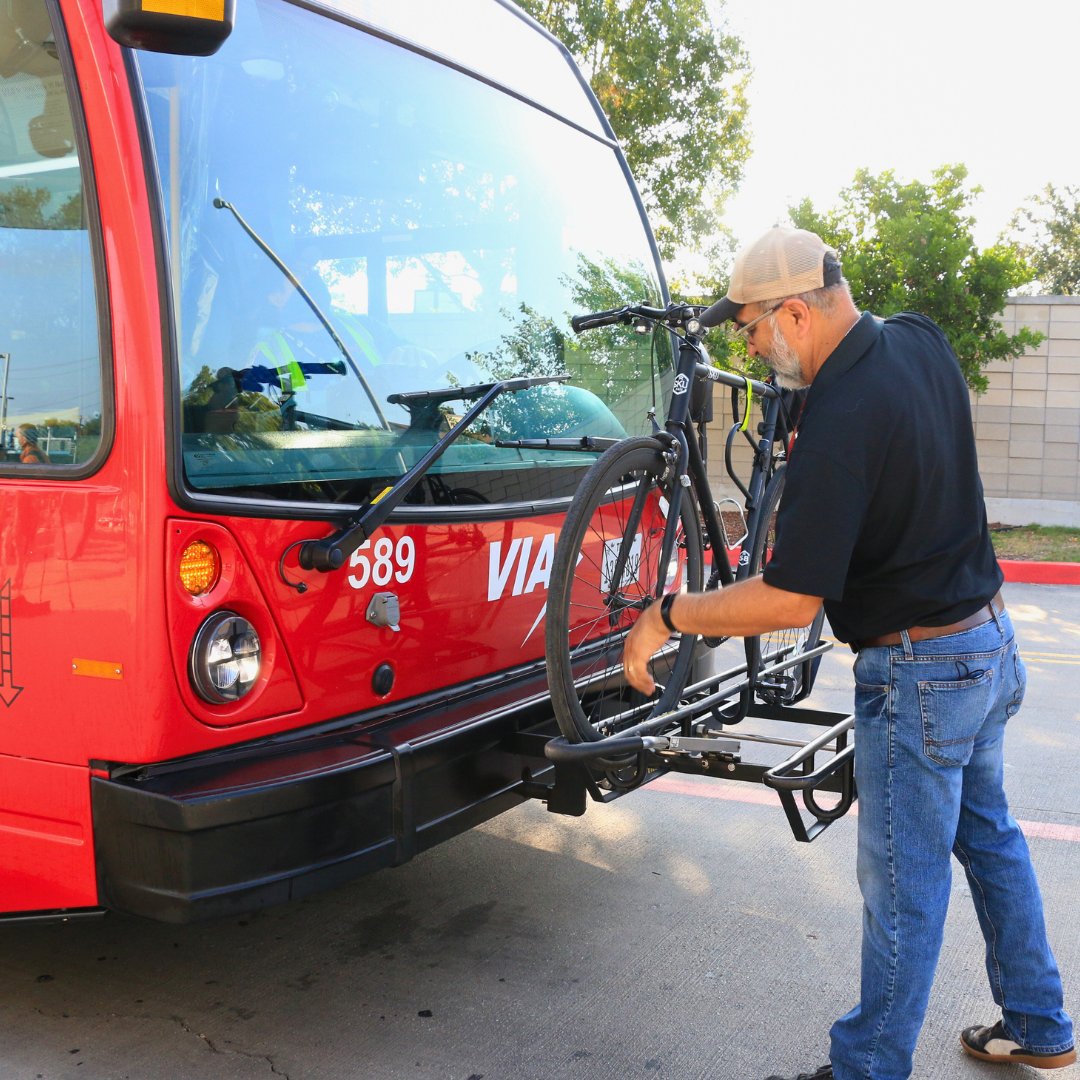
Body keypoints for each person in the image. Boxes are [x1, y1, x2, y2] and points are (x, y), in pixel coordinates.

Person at [622, 227, 1075, 1080]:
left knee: (903, 894)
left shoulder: (840, 418)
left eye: (753, 328)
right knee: (992, 840)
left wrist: (670, 613)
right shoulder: (921, 340)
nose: (750, 349)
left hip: (921, 673)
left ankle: (867, 1068)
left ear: (795, 310)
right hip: (988, 642)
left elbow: (791, 600)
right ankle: (1042, 1025)